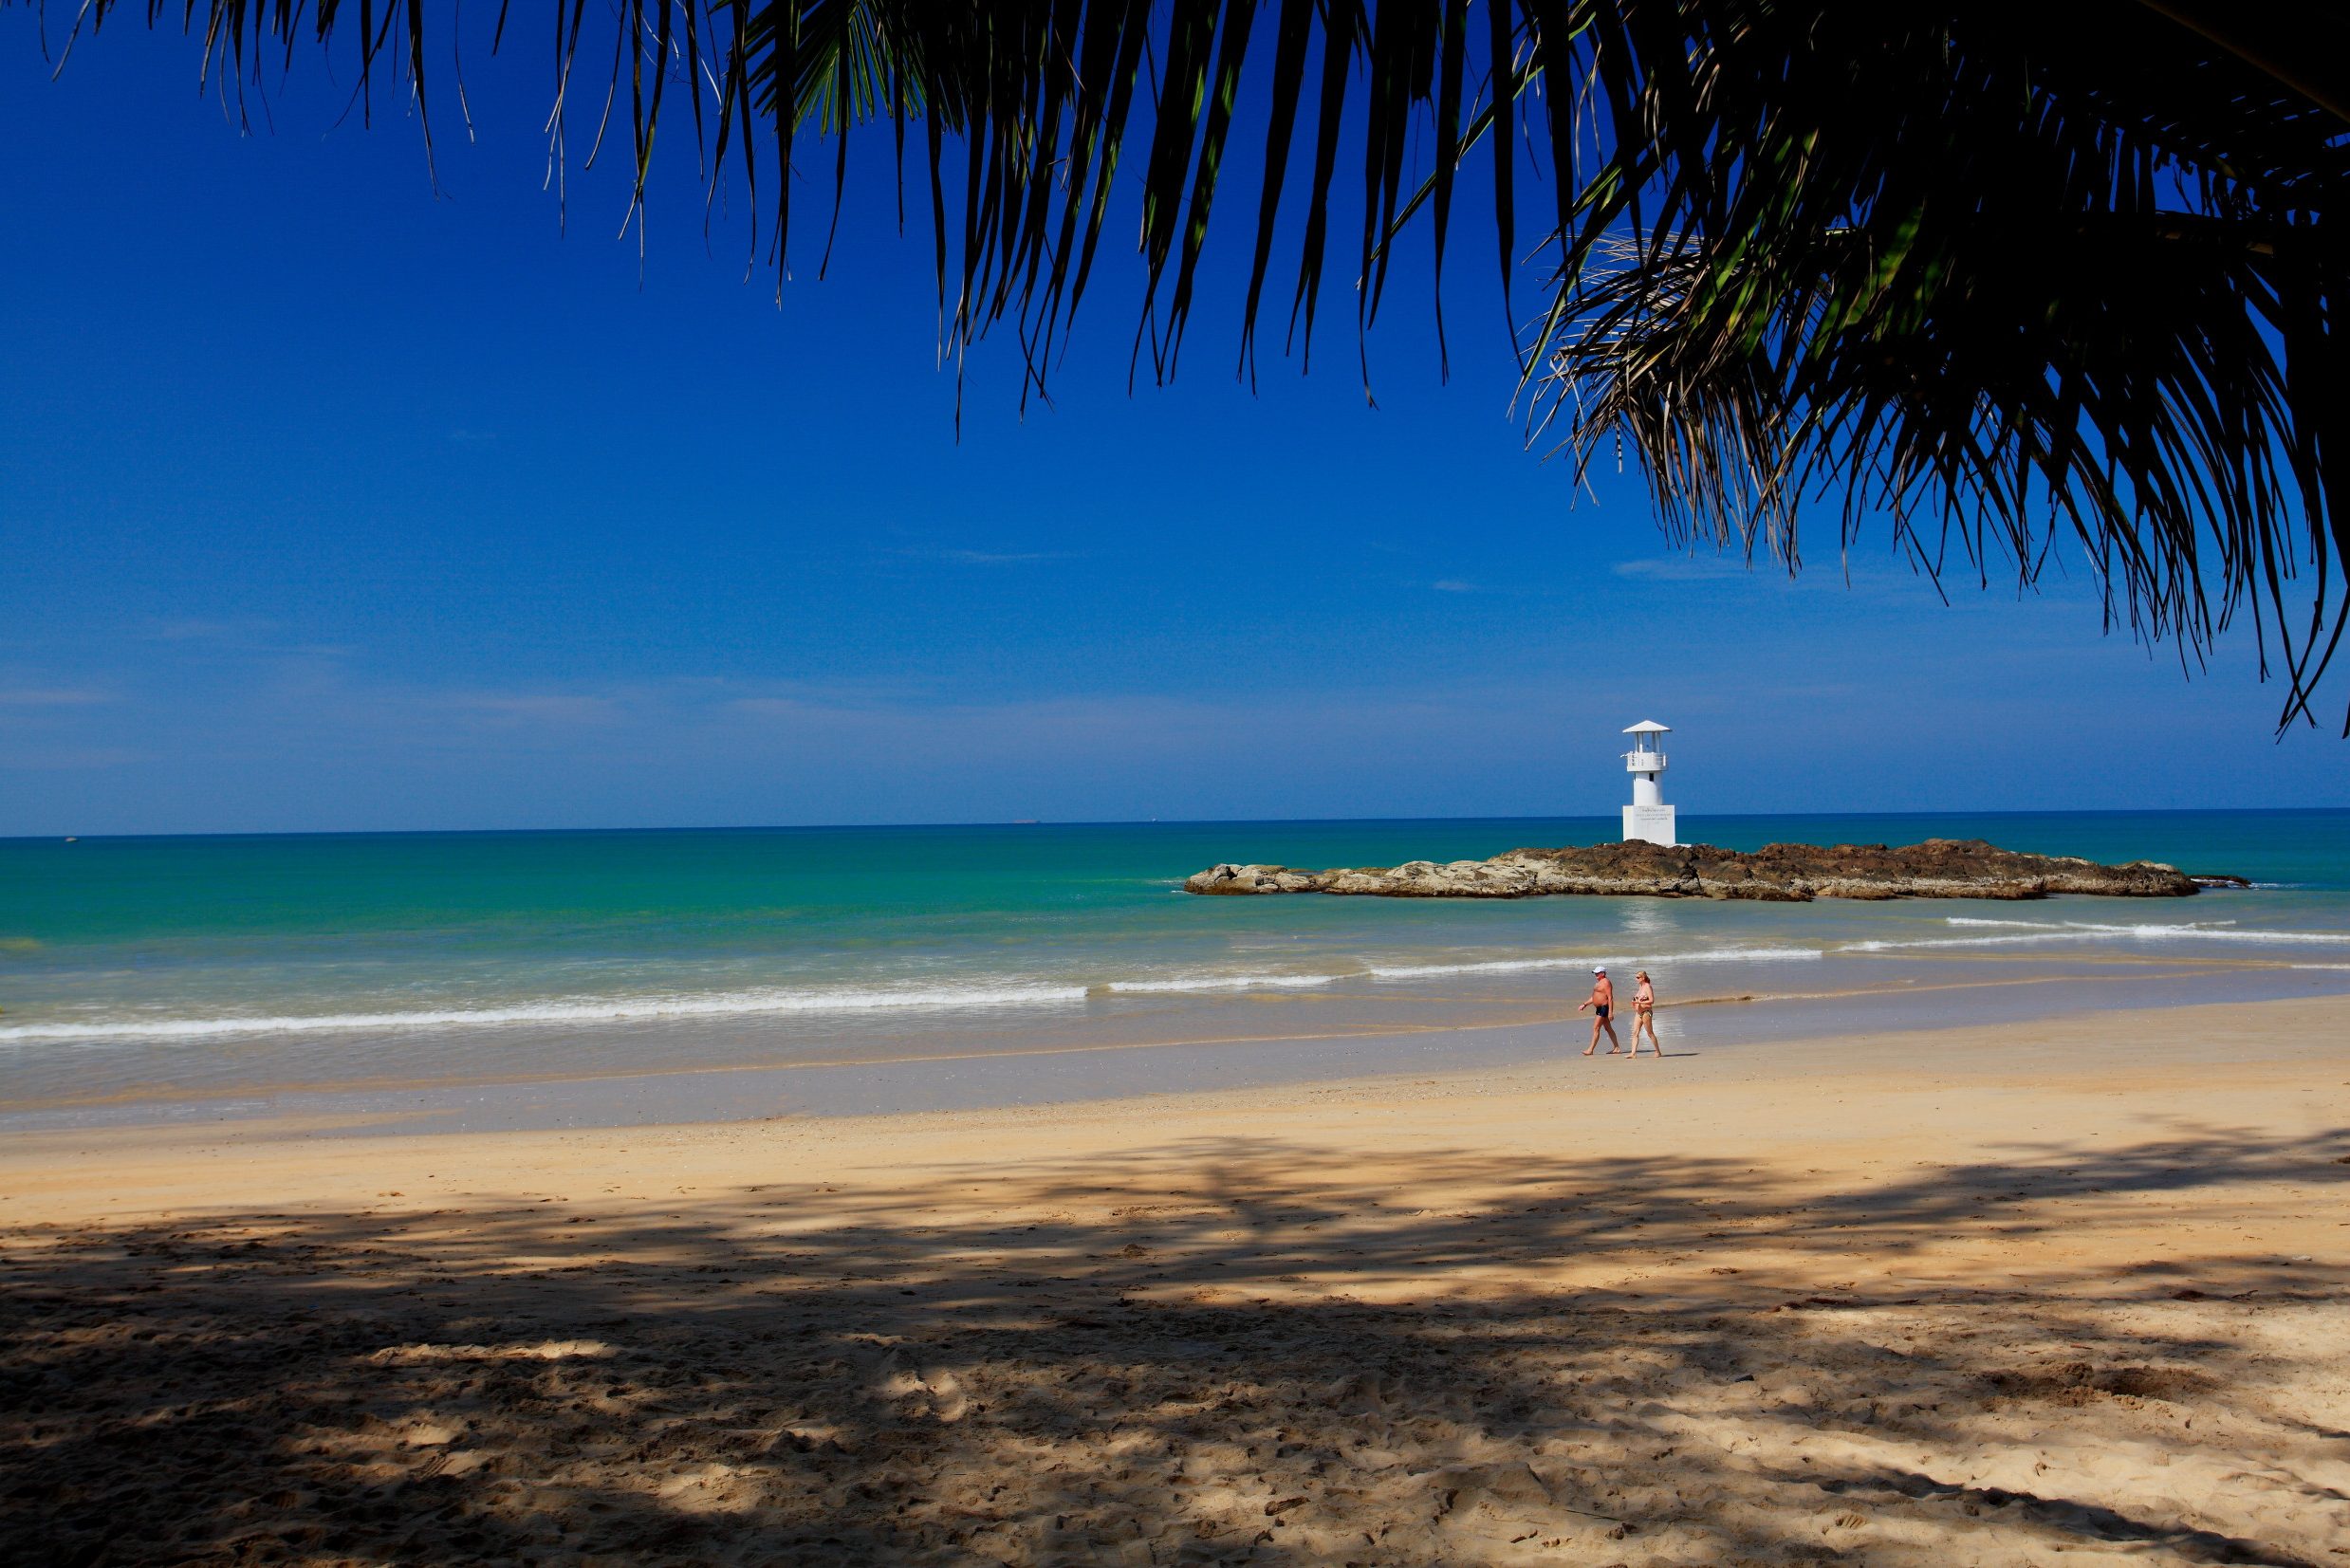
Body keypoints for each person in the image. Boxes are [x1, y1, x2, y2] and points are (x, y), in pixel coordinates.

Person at [1577, 965, 1622, 1056]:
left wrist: (1610, 1012)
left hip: (1604, 1008)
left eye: (1597, 973)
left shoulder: (1606, 982)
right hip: (1599, 1008)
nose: (1595, 975)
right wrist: (1585, 1004)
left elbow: (1610, 998)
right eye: (1595, 973)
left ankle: (1590, 1050)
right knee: (1608, 1028)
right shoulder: (1598, 983)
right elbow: (1594, 997)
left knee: (1596, 1028)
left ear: (1603, 973)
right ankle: (1617, 1048)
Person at [1630, 969, 1662, 1058]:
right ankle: (1633, 1053)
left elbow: (1652, 1000)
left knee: (1649, 1033)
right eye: (1636, 977)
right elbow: (1637, 997)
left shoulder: (1647, 986)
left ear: (1643, 978)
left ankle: (1658, 1051)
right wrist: (1634, 1000)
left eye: (1638, 977)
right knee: (1635, 1032)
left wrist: (1639, 1003)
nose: (1636, 979)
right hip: (1638, 1012)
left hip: (1646, 1012)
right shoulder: (1641, 986)